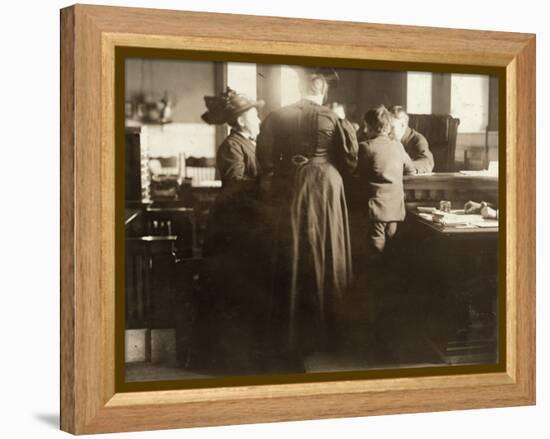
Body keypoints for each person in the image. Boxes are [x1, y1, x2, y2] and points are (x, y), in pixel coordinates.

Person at [257, 72, 359, 359]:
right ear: (323, 91)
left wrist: (284, 170)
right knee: (327, 250)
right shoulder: (335, 118)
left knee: (293, 250)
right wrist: (323, 164)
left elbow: (263, 158)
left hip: (291, 185)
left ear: (300, 90)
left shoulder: (278, 116)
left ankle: (290, 332)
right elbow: (350, 160)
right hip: (325, 186)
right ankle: (328, 333)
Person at [194, 87, 270, 374]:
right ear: (240, 121)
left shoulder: (250, 144)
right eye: (254, 114)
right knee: (232, 291)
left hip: (248, 225)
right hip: (233, 229)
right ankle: (227, 360)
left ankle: (246, 356)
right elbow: (236, 187)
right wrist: (268, 182)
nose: (259, 119)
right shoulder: (232, 147)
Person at [358, 105, 416, 257]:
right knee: (391, 242)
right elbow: (410, 170)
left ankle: (375, 274)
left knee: (376, 245)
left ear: (372, 128)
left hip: (376, 207)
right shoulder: (398, 146)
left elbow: (358, 173)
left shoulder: (365, 147)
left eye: (366, 127)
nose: (364, 131)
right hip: (396, 207)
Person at [388, 105, 434, 174]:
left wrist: (408, 166)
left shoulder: (418, 139)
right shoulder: (388, 138)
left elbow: (427, 162)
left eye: (391, 127)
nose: (388, 131)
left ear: (403, 125)